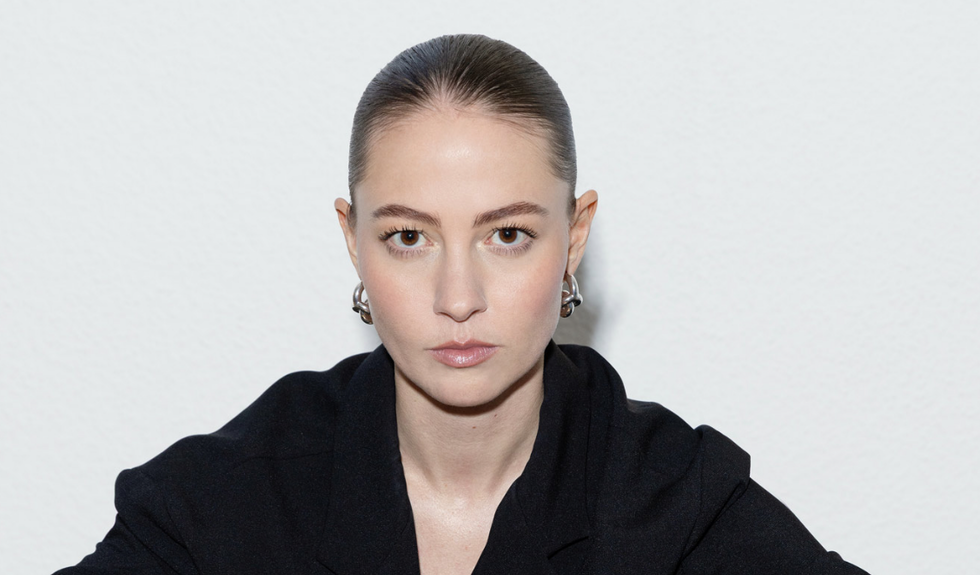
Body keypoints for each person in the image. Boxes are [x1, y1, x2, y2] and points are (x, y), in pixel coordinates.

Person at [57, 34, 868, 575]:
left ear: (574, 237)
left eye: (507, 234)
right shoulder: (224, 503)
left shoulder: (677, 504)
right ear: (353, 240)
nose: (458, 298)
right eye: (409, 237)